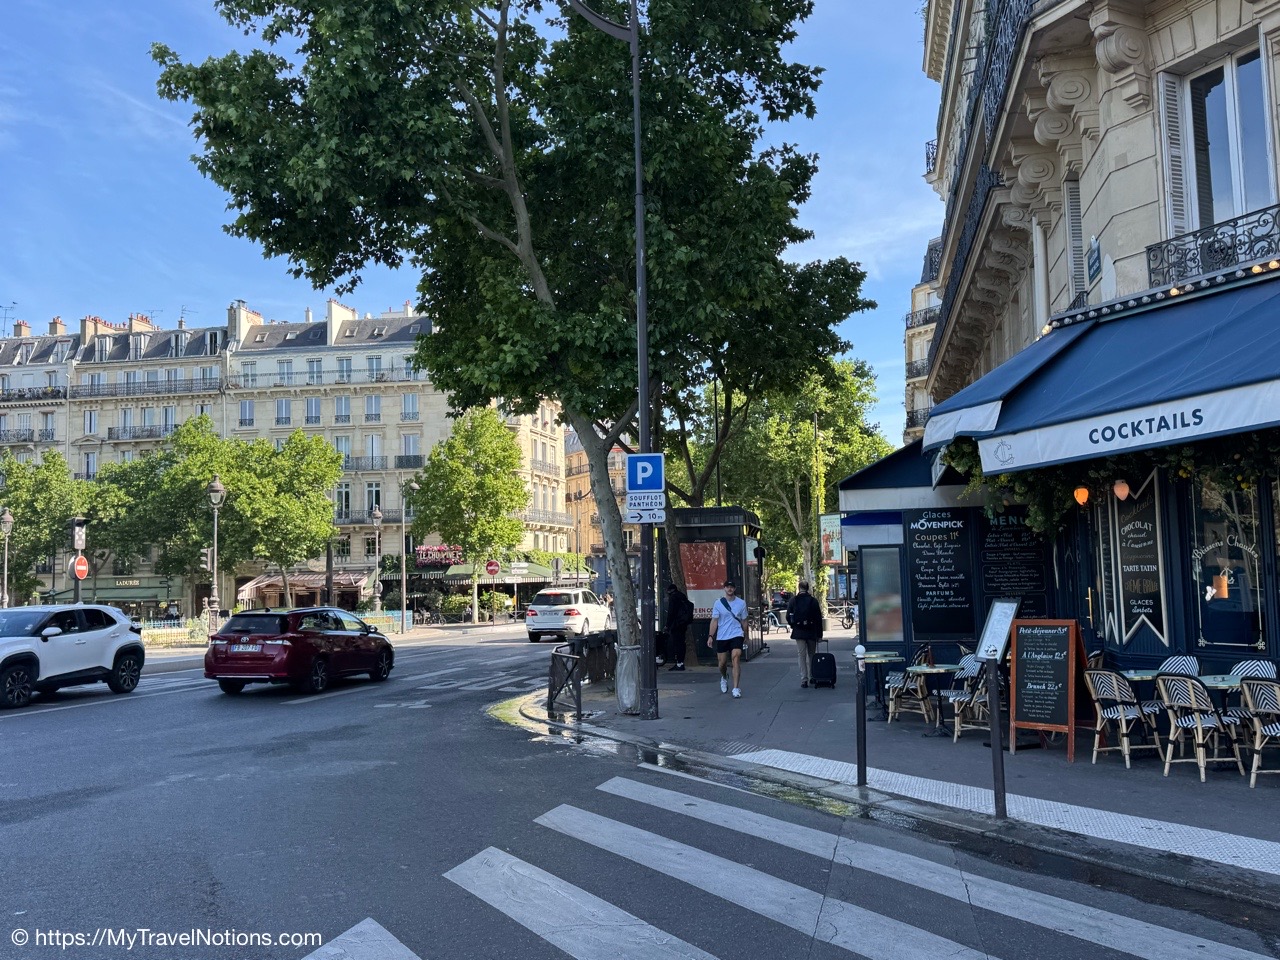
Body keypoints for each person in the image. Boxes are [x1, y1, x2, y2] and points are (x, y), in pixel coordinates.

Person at [707, 579, 748, 698]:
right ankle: (724, 676)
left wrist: (746, 635)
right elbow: (714, 620)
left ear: (734, 589)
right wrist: (710, 636)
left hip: (737, 634)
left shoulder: (741, 603)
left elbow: (744, 620)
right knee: (722, 663)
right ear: (724, 588)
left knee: (736, 657)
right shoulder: (718, 603)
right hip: (722, 636)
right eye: (727, 587)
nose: (729, 589)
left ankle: (736, 688)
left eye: (731, 587)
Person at [786, 581, 824, 688]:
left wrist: (793, 625)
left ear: (799, 588)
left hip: (799, 631)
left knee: (801, 655)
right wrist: (820, 635)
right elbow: (818, 619)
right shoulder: (813, 601)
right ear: (808, 588)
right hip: (811, 631)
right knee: (812, 654)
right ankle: (812, 676)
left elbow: (788, 616)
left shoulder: (793, 600)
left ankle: (804, 679)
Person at [664, 583, 694, 671]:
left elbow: (671, 613)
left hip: (676, 624)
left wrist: (667, 625)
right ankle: (681, 663)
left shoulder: (673, 598)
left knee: (677, 644)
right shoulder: (682, 596)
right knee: (681, 643)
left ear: (670, 590)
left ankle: (679, 663)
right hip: (683, 623)